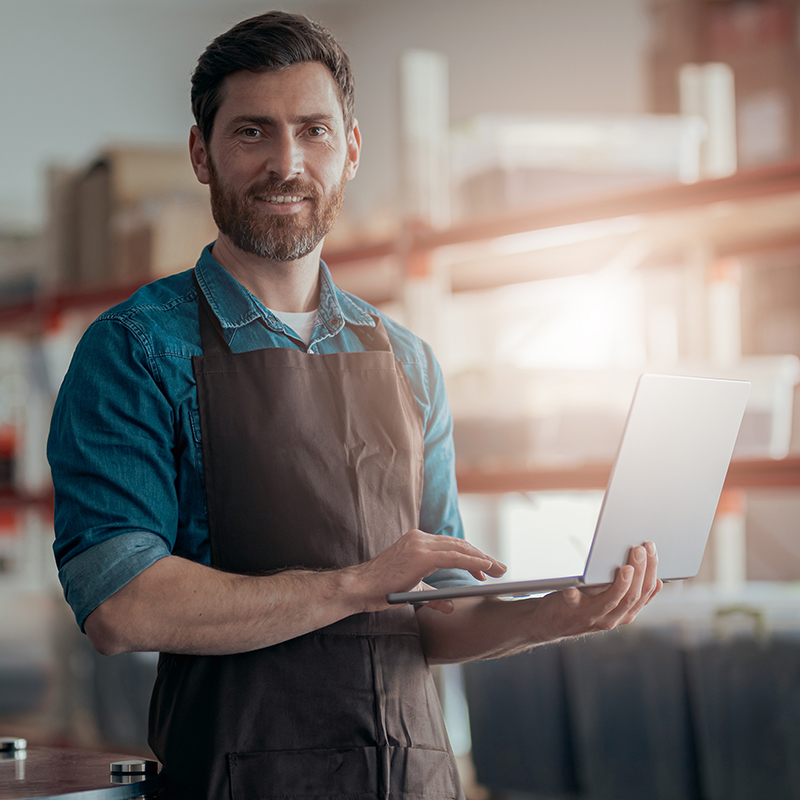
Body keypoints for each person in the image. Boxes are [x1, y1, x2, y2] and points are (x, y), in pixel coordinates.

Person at [47, 11, 661, 799]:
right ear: (202, 154)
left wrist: (561, 612)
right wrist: (360, 583)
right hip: (235, 782)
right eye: (251, 134)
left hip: (410, 778)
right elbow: (121, 606)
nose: (286, 163)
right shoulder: (135, 350)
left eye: (313, 132)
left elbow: (436, 612)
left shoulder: (408, 361)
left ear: (352, 150)